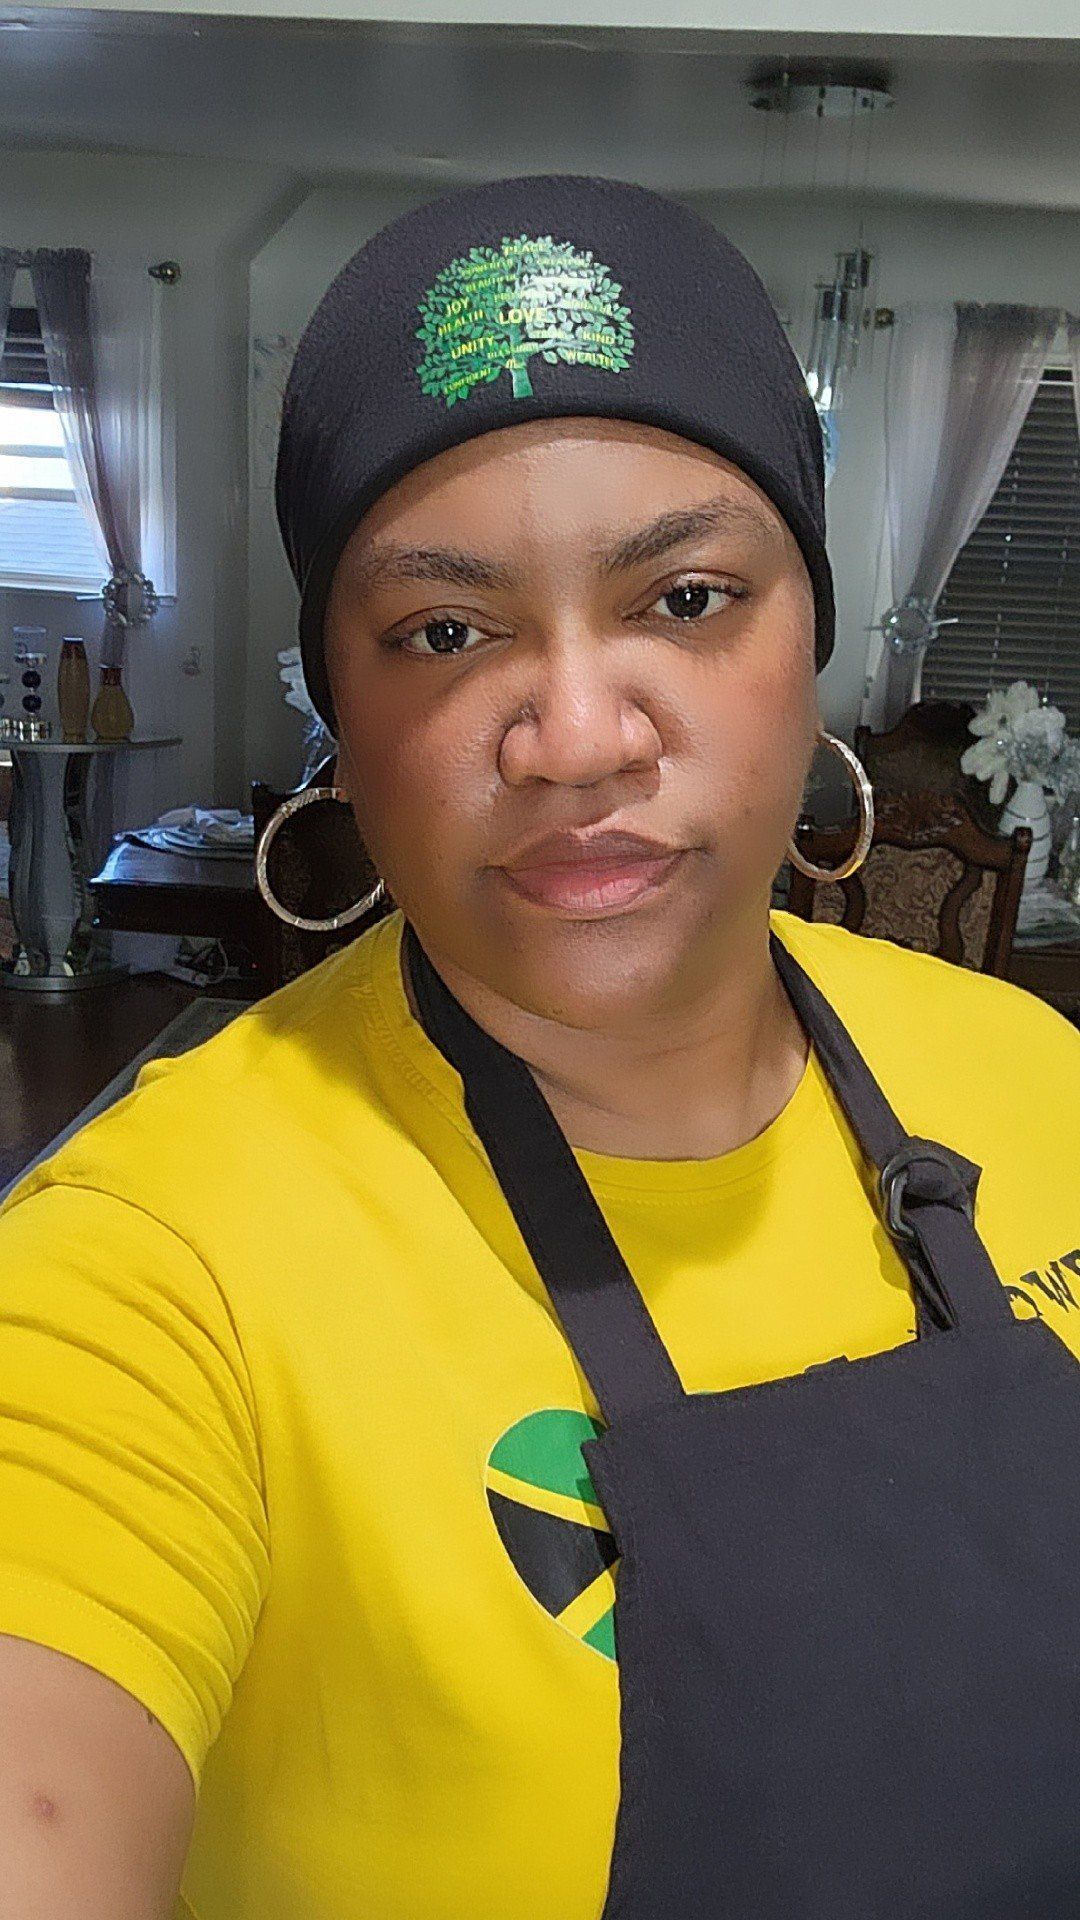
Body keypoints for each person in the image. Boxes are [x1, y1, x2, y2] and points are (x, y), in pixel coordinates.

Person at [1, 172, 1079, 1920]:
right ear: (340, 721)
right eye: (446, 630)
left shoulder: (1035, 1072)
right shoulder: (150, 1268)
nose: (577, 736)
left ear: (813, 642)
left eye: (687, 600)